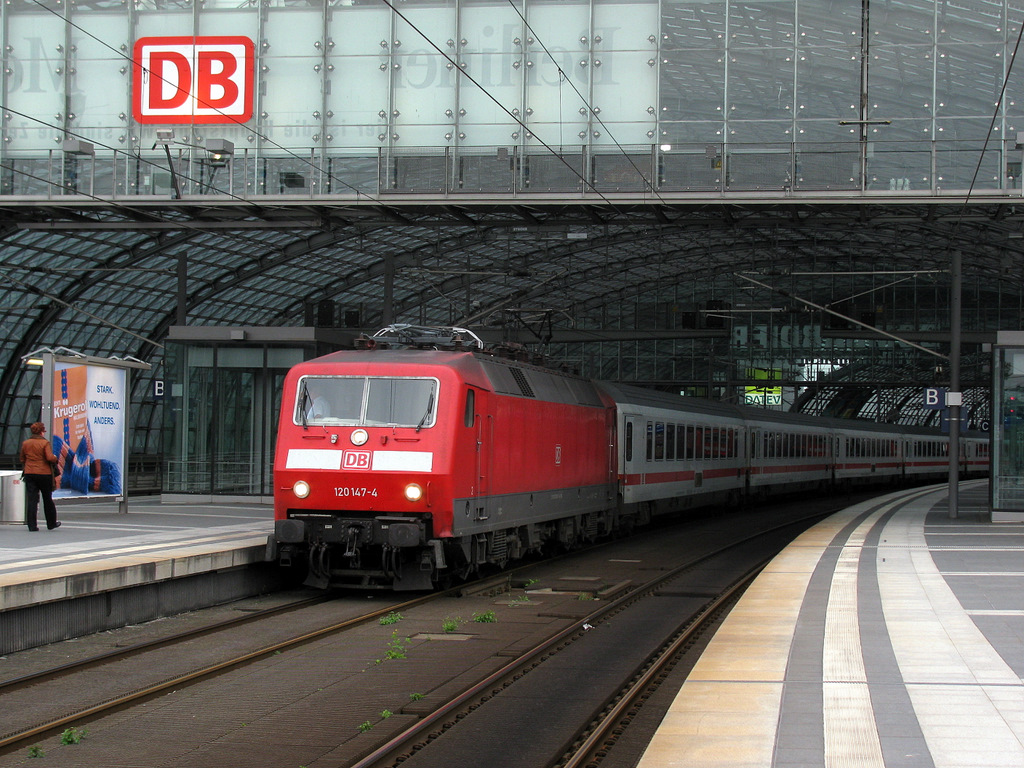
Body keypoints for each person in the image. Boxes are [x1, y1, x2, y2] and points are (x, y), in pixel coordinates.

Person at [20, 422, 60, 531]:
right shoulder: (44, 443)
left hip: (30, 473)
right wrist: (55, 458)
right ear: (42, 431)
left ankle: (32, 525)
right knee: (47, 499)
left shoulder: (26, 443)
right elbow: (49, 458)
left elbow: (22, 458)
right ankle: (51, 523)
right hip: (44, 474)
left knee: (32, 499)